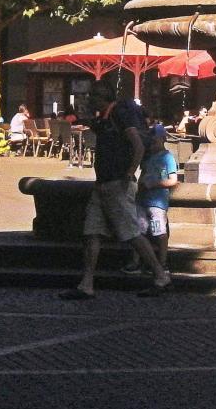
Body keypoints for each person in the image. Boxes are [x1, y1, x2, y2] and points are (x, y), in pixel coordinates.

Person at [60, 80, 171, 299]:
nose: (90, 100)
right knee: (92, 233)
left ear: (101, 98)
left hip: (117, 184)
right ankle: (86, 284)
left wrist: (129, 174)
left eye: (92, 97)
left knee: (131, 233)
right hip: (102, 184)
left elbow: (137, 145)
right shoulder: (105, 117)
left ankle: (160, 276)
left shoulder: (120, 114)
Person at [134, 124, 178, 273]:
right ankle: (139, 262)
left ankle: (162, 263)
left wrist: (154, 184)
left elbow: (173, 180)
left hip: (157, 201)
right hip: (142, 200)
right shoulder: (147, 157)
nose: (152, 142)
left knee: (159, 232)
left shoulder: (167, 157)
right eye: (150, 139)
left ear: (163, 139)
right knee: (138, 232)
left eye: (155, 139)